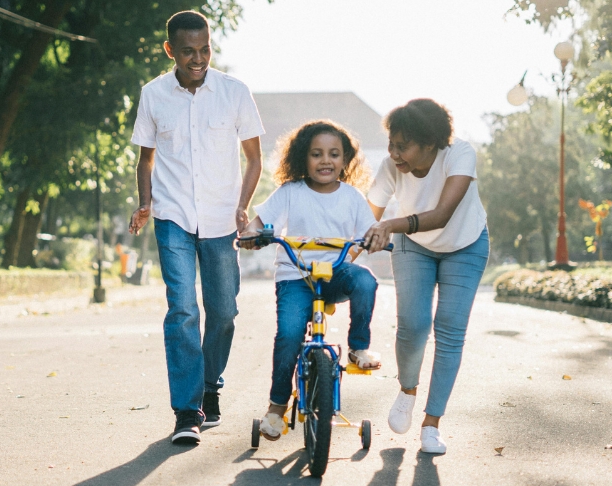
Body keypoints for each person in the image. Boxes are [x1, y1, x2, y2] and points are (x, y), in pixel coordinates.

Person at [127, 10, 265, 445]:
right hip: (172, 218)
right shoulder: (153, 95)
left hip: (223, 219)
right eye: (188, 51)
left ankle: (210, 387)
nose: (198, 58)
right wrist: (146, 203)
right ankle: (187, 411)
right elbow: (145, 158)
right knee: (183, 309)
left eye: (205, 49)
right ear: (171, 50)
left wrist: (243, 206)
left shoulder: (234, 92)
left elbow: (254, 158)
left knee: (223, 312)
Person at [239, 120, 380, 441]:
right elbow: (260, 222)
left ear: (345, 161)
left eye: (334, 154)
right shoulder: (290, 192)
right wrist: (251, 234)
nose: (325, 160)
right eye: (316, 154)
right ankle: (276, 407)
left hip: (334, 274)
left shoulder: (353, 197)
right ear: (303, 158)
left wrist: (374, 238)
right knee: (289, 335)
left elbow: (369, 231)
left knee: (366, 281)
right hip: (295, 277)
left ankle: (358, 348)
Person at [363, 98, 489, 455]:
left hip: (465, 244)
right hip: (413, 246)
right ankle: (407, 390)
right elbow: (365, 218)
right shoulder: (391, 167)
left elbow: (443, 214)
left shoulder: (459, 154)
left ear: (430, 143)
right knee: (413, 324)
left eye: (403, 146)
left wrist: (389, 224)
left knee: (449, 329)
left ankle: (432, 424)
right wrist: (344, 254)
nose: (394, 153)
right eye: (391, 144)